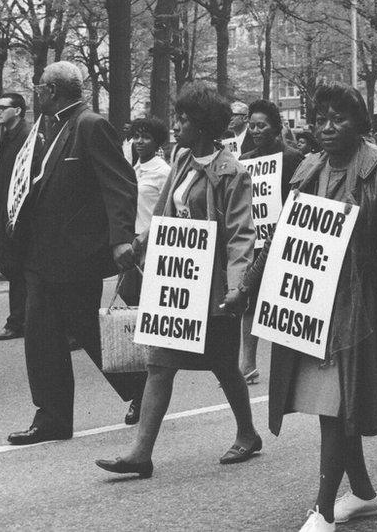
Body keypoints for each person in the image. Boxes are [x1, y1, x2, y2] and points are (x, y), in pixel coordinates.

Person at [240, 82, 377, 531]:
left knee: (335, 407)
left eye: (339, 118)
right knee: (336, 405)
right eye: (321, 118)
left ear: (359, 122)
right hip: (311, 308)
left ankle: (323, 510)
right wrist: (247, 287)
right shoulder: (308, 169)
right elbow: (279, 240)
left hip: (362, 309)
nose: (327, 128)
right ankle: (364, 494)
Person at [95, 82, 262, 477]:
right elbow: (163, 214)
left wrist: (238, 286)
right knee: (159, 363)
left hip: (214, 290)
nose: (177, 126)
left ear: (203, 126)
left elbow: (241, 234)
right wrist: (140, 243)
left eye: (184, 119)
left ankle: (248, 433)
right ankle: (140, 453)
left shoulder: (231, 172)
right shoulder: (182, 158)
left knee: (224, 366)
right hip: (177, 283)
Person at [6, 61, 146, 444]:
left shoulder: (89, 125)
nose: (35, 93)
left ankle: (142, 388)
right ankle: (51, 416)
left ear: (51, 91)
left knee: (89, 331)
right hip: (41, 254)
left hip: (76, 253)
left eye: (39, 88)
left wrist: (120, 238)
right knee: (41, 336)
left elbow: (119, 184)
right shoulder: (45, 128)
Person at [235, 99, 304, 384]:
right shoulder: (246, 159)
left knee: (283, 303)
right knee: (249, 301)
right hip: (256, 240)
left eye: (261, 125)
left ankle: (291, 367)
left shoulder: (291, 157)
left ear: (275, 128)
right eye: (251, 125)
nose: (255, 130)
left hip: (283, 240)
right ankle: (247, 363)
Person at [0, 92, 32, 341]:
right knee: (11, 267)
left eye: (4, 107)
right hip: (3, 210)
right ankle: (21, 320)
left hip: (16, 217)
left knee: (16, 267)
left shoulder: (27, 137)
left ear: (18, 111)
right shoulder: (9, 135)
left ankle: (18, 322)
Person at [118, 117, 171, 306]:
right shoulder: (134, 168)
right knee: (127, 292)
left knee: (149, 297)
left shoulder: (163, 171)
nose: (139, 141)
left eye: (146, 137)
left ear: (157, 141)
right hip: (131, 240)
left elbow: (167, 210)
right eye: (137, 136)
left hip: (150, 240)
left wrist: (148, 236)